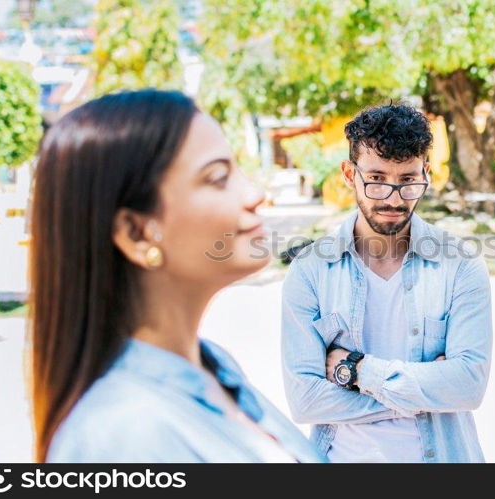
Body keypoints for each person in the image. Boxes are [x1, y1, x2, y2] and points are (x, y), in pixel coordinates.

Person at [30, 89, 323, 463]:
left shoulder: (214, 366)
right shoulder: (122, 435)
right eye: (217, 177)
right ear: (136, 233)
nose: (255, 192)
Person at [281, 103, 492, 462]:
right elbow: (306, 401)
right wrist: (424, 394)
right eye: (376, 179)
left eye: (407, 181)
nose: (393, 199)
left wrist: (357, 370)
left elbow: (468, 387)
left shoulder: (460, 265)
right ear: (349, 174)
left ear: (426, 174)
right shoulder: (310, 270)